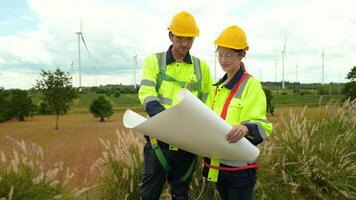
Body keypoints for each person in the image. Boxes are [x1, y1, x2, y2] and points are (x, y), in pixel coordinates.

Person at [138, 11, 212, 200]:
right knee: (148, 195)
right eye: (180, 38)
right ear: (170, 36)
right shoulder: (154, 61)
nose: (185, 44)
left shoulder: (201, 67)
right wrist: (164, 119)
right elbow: (146, 92)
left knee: (181, 195)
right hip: (158, 144)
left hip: (187, 146)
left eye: (190, 39)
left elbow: (208, 102)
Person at [202, 25, 273, 200]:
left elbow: (263, 125)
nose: (223, 60)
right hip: (218, 165)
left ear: (241, 55)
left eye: (229, 55)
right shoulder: (216, 88)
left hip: (240, 169)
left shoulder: (251, 85)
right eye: (220, 55)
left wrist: (246, 128)